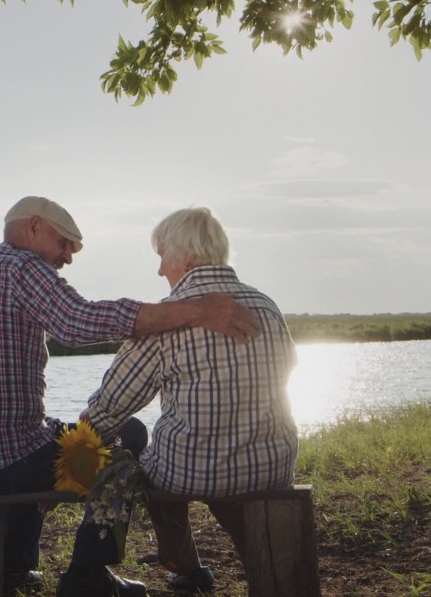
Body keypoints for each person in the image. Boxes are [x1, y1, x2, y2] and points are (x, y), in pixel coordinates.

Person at [0, 196, 261, 597]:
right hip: (2, 463)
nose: (68, 257)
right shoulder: (23, 267)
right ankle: (87, 574)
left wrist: (65, 444)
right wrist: (198, 310)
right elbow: (78, 323)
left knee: (42, 438)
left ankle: (14, 566)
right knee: (128, 437)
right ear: (33, 228)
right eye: (65, 243)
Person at [81, 207, 298, 595]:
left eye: (162, 256)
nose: (160, 270)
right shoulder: (266, 305)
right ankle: (259, 563)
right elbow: (289, 369)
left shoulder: (166, 321)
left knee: (147, 466)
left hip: (194, 471)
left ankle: (186, 567)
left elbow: (113, 406)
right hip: (271, 468)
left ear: (184, 255)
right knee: (222, 464)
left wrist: (78, 435)